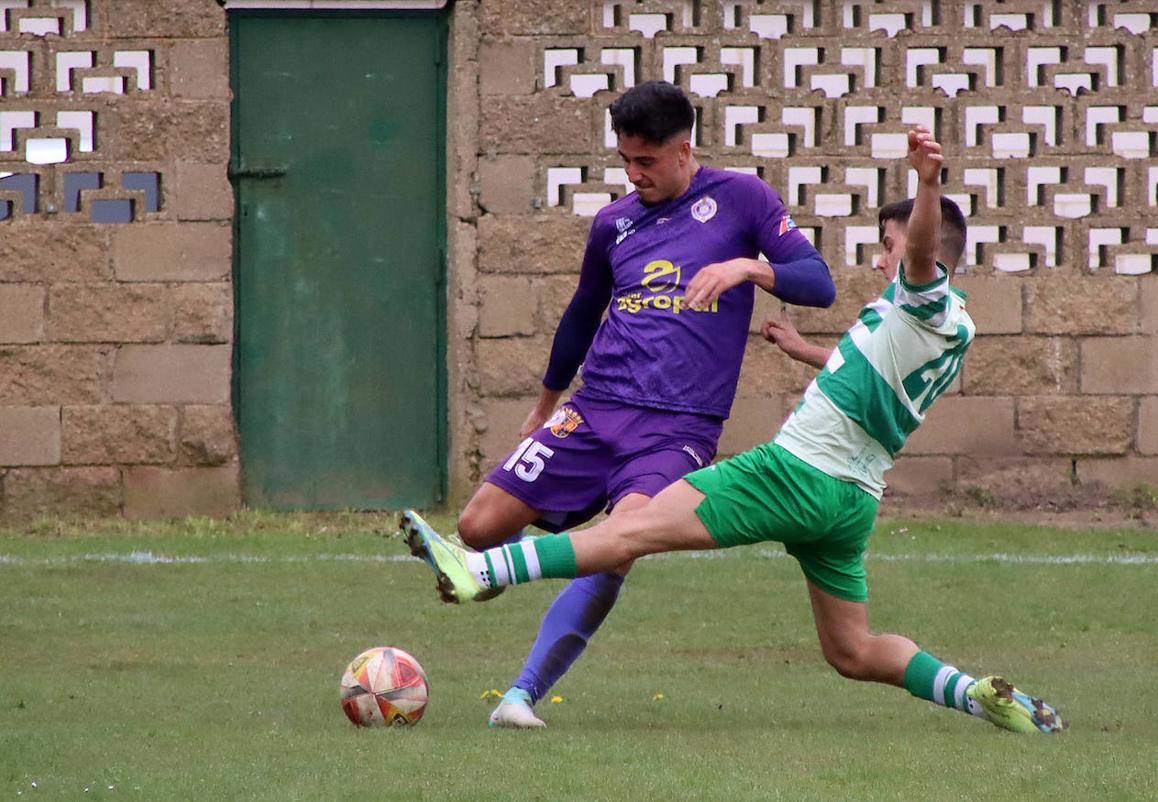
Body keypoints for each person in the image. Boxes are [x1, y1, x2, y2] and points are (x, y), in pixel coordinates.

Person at [402, 127, 1067, 735]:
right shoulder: (952, 328)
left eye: (886, 248)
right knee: (852, 651)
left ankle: (479, 567)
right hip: (851, 504)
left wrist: (926, 184)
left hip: (794, 474)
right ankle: (974, 693)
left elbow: (922, 248)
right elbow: (871, 373)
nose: (881, 259)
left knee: (627, 532)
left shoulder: (922, 290)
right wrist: (807, 352)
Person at [446, 80, 836, 728]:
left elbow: (818, 284)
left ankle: (520, 697)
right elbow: (579, 316)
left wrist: (750, 269)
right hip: (594, 406)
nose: (634, 174)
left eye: (646, 161)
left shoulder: (743, 200)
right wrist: (544, 405)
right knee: (476, 528)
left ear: (684, 149)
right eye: (625, 160)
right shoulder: (613, 223)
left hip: (677, 428)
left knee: (622, 543)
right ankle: (492, 569)